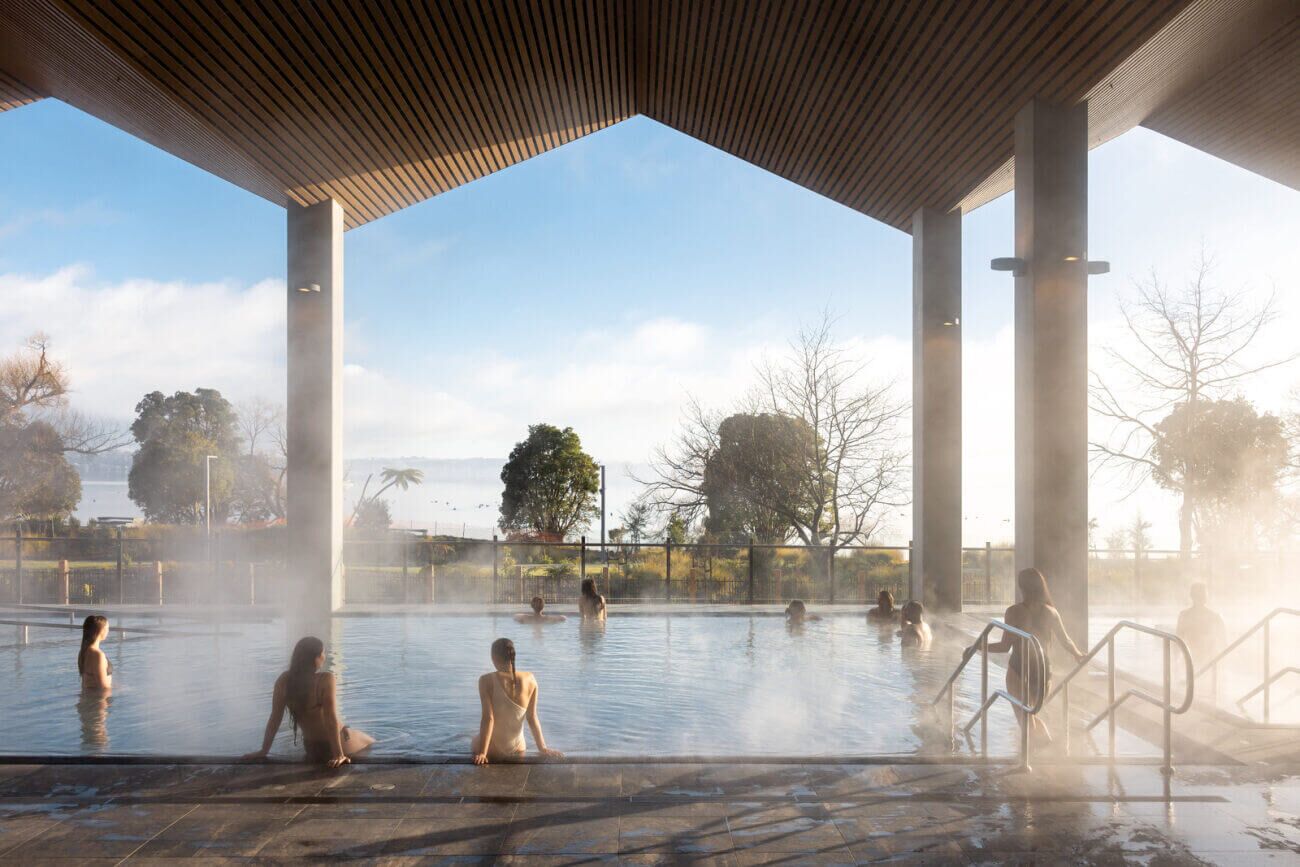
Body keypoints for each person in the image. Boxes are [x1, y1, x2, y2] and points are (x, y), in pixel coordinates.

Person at [965, 568, 1085, 745]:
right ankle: (1048, 752)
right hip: (1044, 670)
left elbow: (1004, 647)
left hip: (1019, 667)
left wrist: (976, 647)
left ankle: (1042, 752)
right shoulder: (1051, 612)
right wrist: (1078, 654)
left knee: (1025, 719)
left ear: (1021, 586)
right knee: (1030, 716)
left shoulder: (1014, 611)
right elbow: (1066, 640)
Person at [244, 636, 374, 767]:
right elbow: (330, 717)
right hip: (335, 744)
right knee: (371, 742)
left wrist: (264, 750)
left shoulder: (284, 680)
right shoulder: (325, 679)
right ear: (315, 658)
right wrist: (338, 754)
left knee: (357, 734)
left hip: (312, 747)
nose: (324, 656)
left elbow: (275, 718)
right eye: (323, 653)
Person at [471, 638, 563, 765]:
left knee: (474, 739)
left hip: (493, 749)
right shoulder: (531, 679)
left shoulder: (485, 680)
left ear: (493, 657)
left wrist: (482, 753)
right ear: (513, 656)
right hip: (519, 747)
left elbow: (488, 718)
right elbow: (532, 717)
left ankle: (483, 749)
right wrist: (543, 748)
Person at [1176, 583, 1227, 668]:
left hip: (1207, 660)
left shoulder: (1215, 617)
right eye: (1200, 595)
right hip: (1194, 658)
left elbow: (1223, 642)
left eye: (1202, 595)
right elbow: (1178, 641)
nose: (1201, 598)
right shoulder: (1185, 616)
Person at [78, 615, 112, 691]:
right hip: (98, 701)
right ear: (101, 630)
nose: (108, 631)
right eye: (107, 628)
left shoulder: (84, 651)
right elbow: (103, 688)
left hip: (89, 698)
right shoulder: (97, 655)